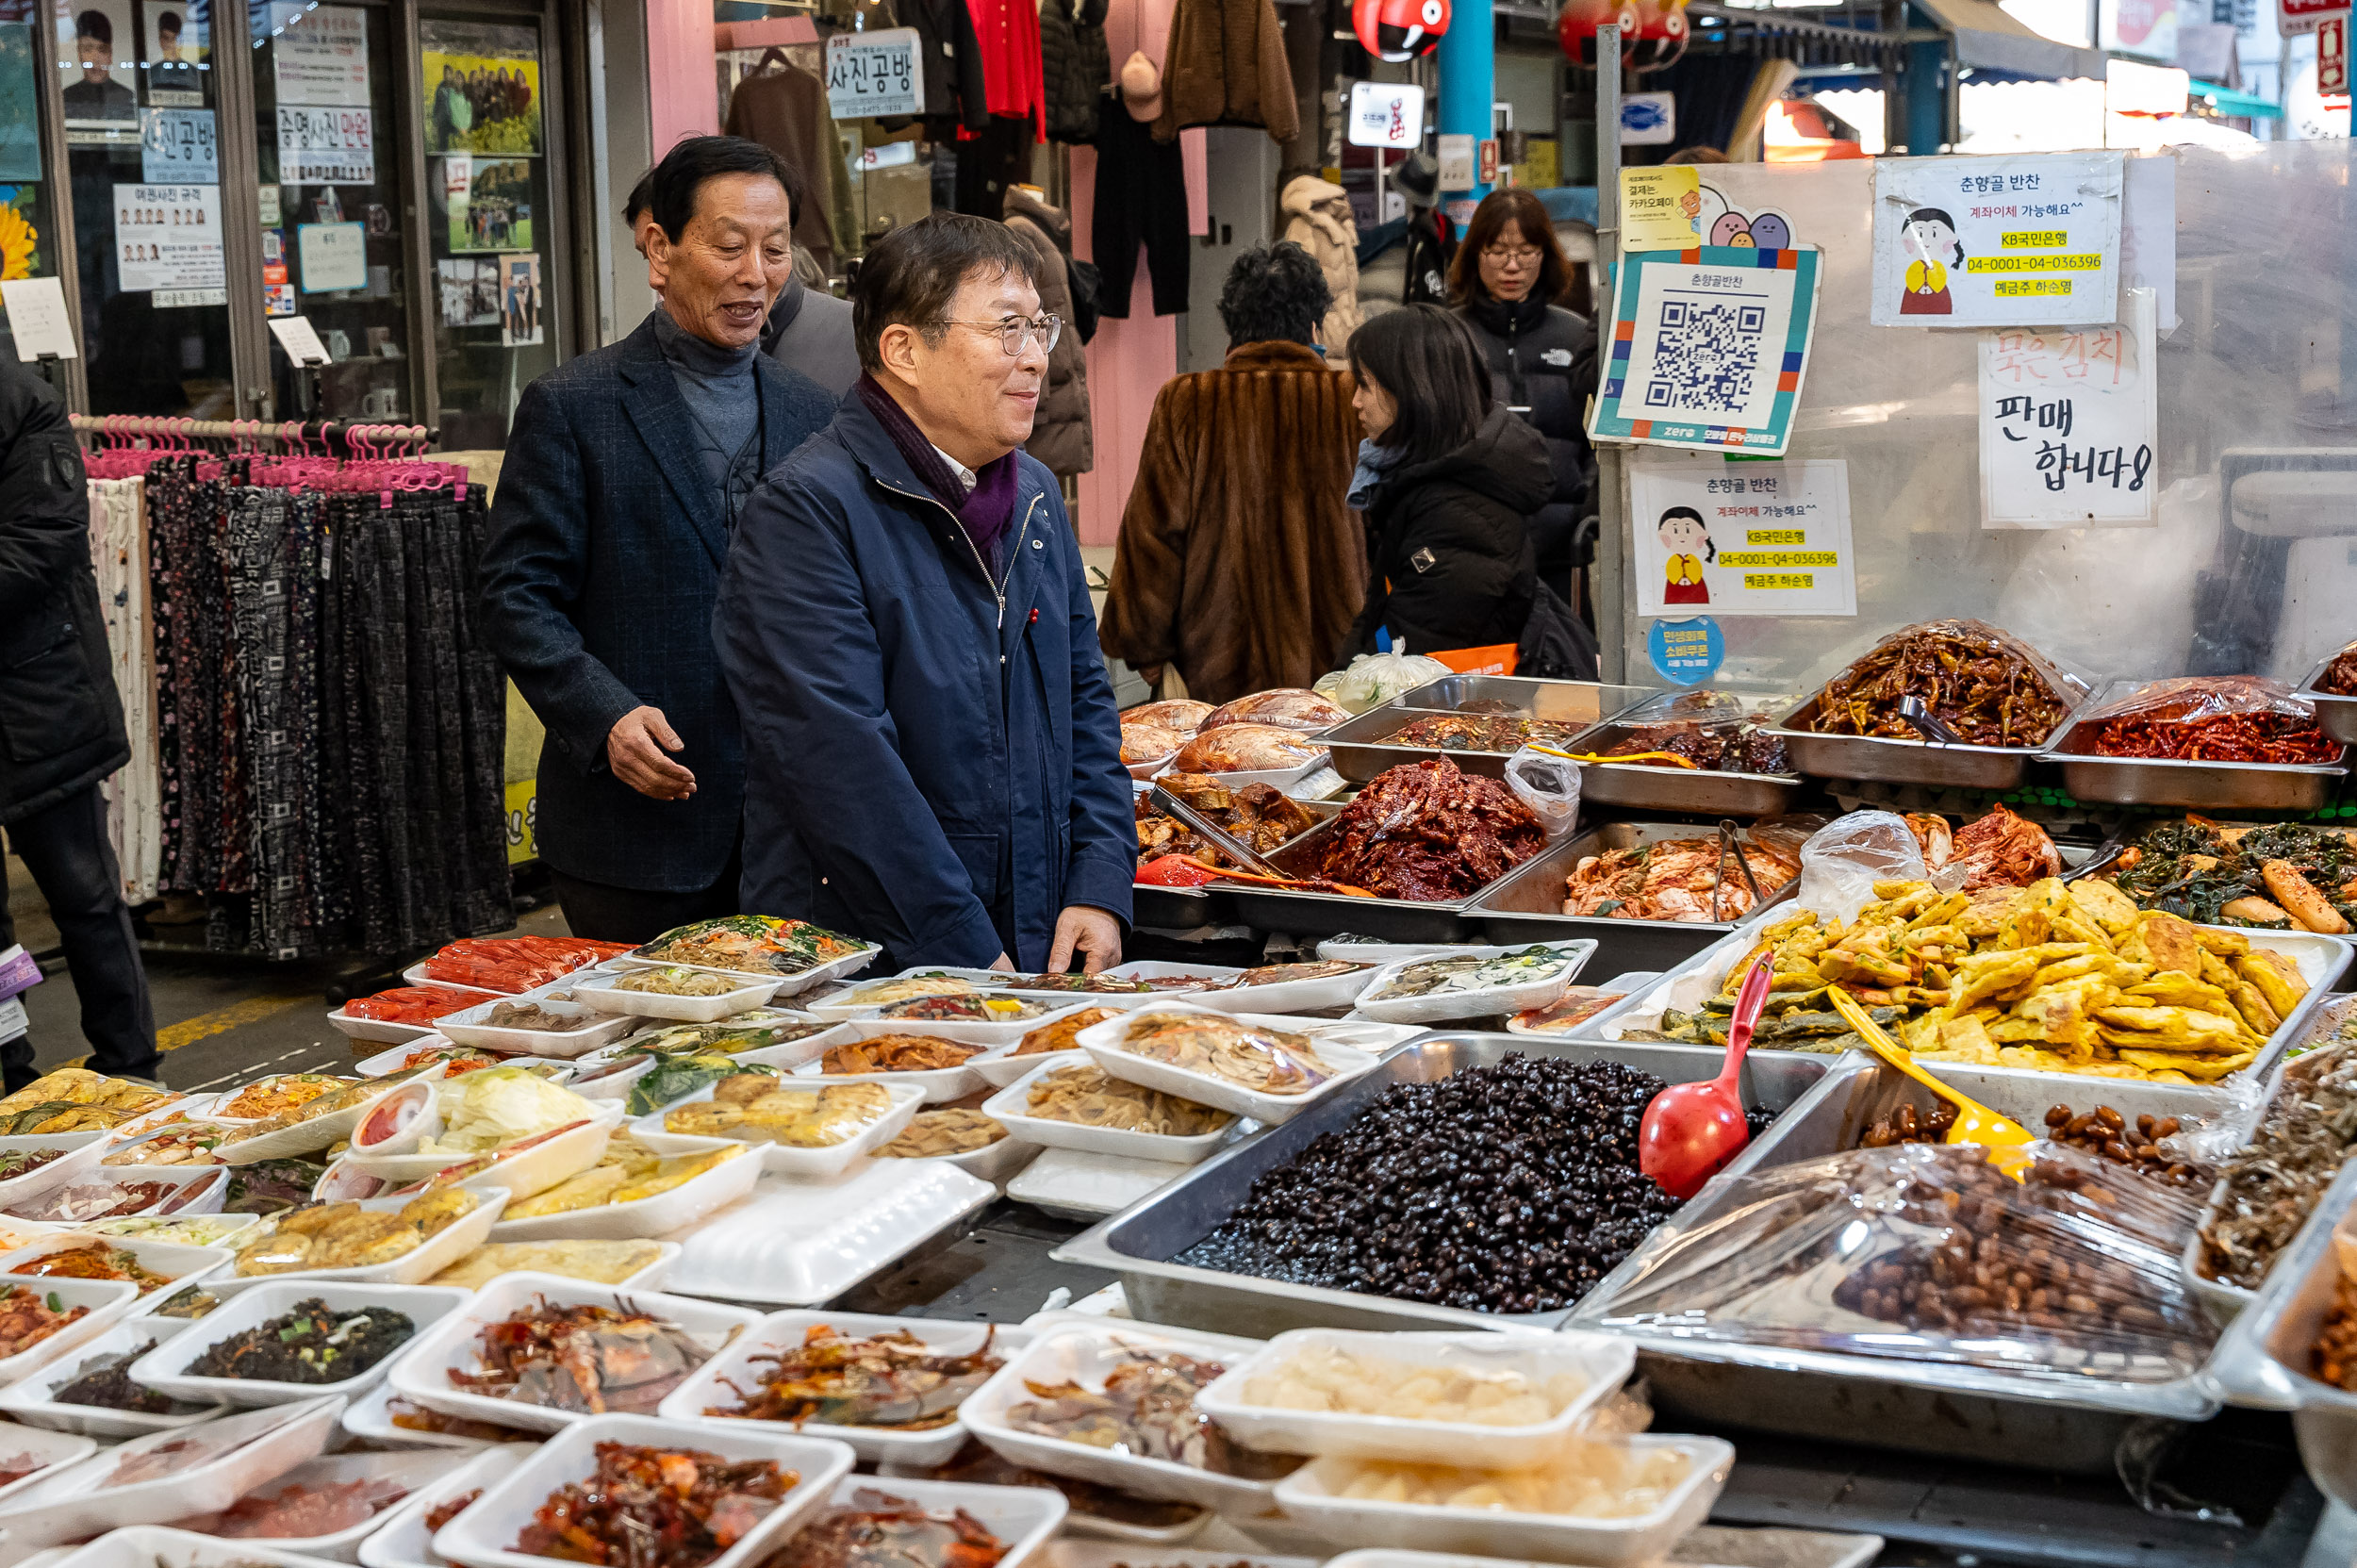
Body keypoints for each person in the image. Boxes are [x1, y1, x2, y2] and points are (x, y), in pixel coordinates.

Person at [716, 212, 1131, 974]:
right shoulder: (806, 511)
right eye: (1007, 329)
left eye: (1039, 327)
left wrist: (1100, 882)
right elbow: (842, 769)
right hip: (871, 961)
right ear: (903, 350)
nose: (1037, 357)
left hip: (1034, 937)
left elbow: (1087, 706)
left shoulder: (1033, 493)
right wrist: (963, 950)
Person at [479, 136, 836, 944]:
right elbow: (515, 595)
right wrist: (603, 715)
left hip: (797, 831)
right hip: (634, 834)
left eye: (776, 250)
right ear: (659, 248)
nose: (757, 275)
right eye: (729, 246)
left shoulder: (815, 411)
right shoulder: (574, 406)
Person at [1097, 242, 1363, 703]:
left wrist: (1146, 648)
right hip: (1337, 671)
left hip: (1214, 672)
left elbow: (1154, 536)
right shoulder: (1351, 400)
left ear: (1232, 323)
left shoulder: (1187, 400)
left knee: (1220, 771)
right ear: (1314, 321)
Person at [0, 361, 159, 1089]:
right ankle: (15, 1086)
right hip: (40, 692)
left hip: (41, 695)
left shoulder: (19, 397)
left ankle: (132, 1076)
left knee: (86, 899)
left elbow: (42, 541)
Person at [1339, 305, 1550, 661]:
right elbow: (1382, 618)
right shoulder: (1427, 479)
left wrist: (1339, 690)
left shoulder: (1457, 511)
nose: (1356, 402)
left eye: (1364, 384)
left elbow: (1409, 659)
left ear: (1411, 389)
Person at [1449, 188, 1597, 602]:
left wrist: (1585, 502)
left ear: (1546, 255)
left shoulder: (1577, 333)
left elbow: (1598, 436)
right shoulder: (1449, 337)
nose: (1512, 265)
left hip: (1562, 549)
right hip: (1472, 547)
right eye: (1497, 251)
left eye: (1527, 250)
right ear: (1475, 254)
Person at [623, 170, 855, 397]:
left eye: (730, 245)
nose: (655, 278)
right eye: (650, 255)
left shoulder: (858, 336)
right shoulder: (630, 369)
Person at [62, 10, 134, 122]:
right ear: (79, 54)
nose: (95, 58)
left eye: (102, 50)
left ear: (110, 55)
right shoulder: (65, 98)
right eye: (87, 49)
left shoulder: (128, 98)